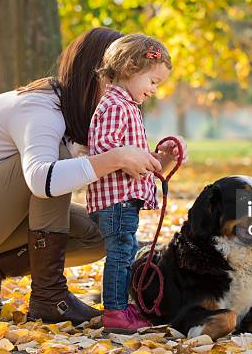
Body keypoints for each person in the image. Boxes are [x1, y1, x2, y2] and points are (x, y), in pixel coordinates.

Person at [0, 27, 183, 325]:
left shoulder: (81, 116)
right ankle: (49, 297)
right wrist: (116, 157)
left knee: (100, 234)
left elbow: (100, 175)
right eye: (114, 76)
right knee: (54, 165)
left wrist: (151, 163)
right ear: (97, 73)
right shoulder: (39, 107)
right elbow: (42, 179)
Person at [87, 34, 174, 333]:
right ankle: (115, 311)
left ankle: (120, 307)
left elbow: (128, 153)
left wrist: (158, 158)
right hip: (116, 200)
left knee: (125, 250)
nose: (153, 90)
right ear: (128, 68)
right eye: (152, 81)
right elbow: (103, 148)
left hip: (123, 198)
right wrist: (135, 156)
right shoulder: (115, 105)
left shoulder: (126, 106)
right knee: (122, 253)